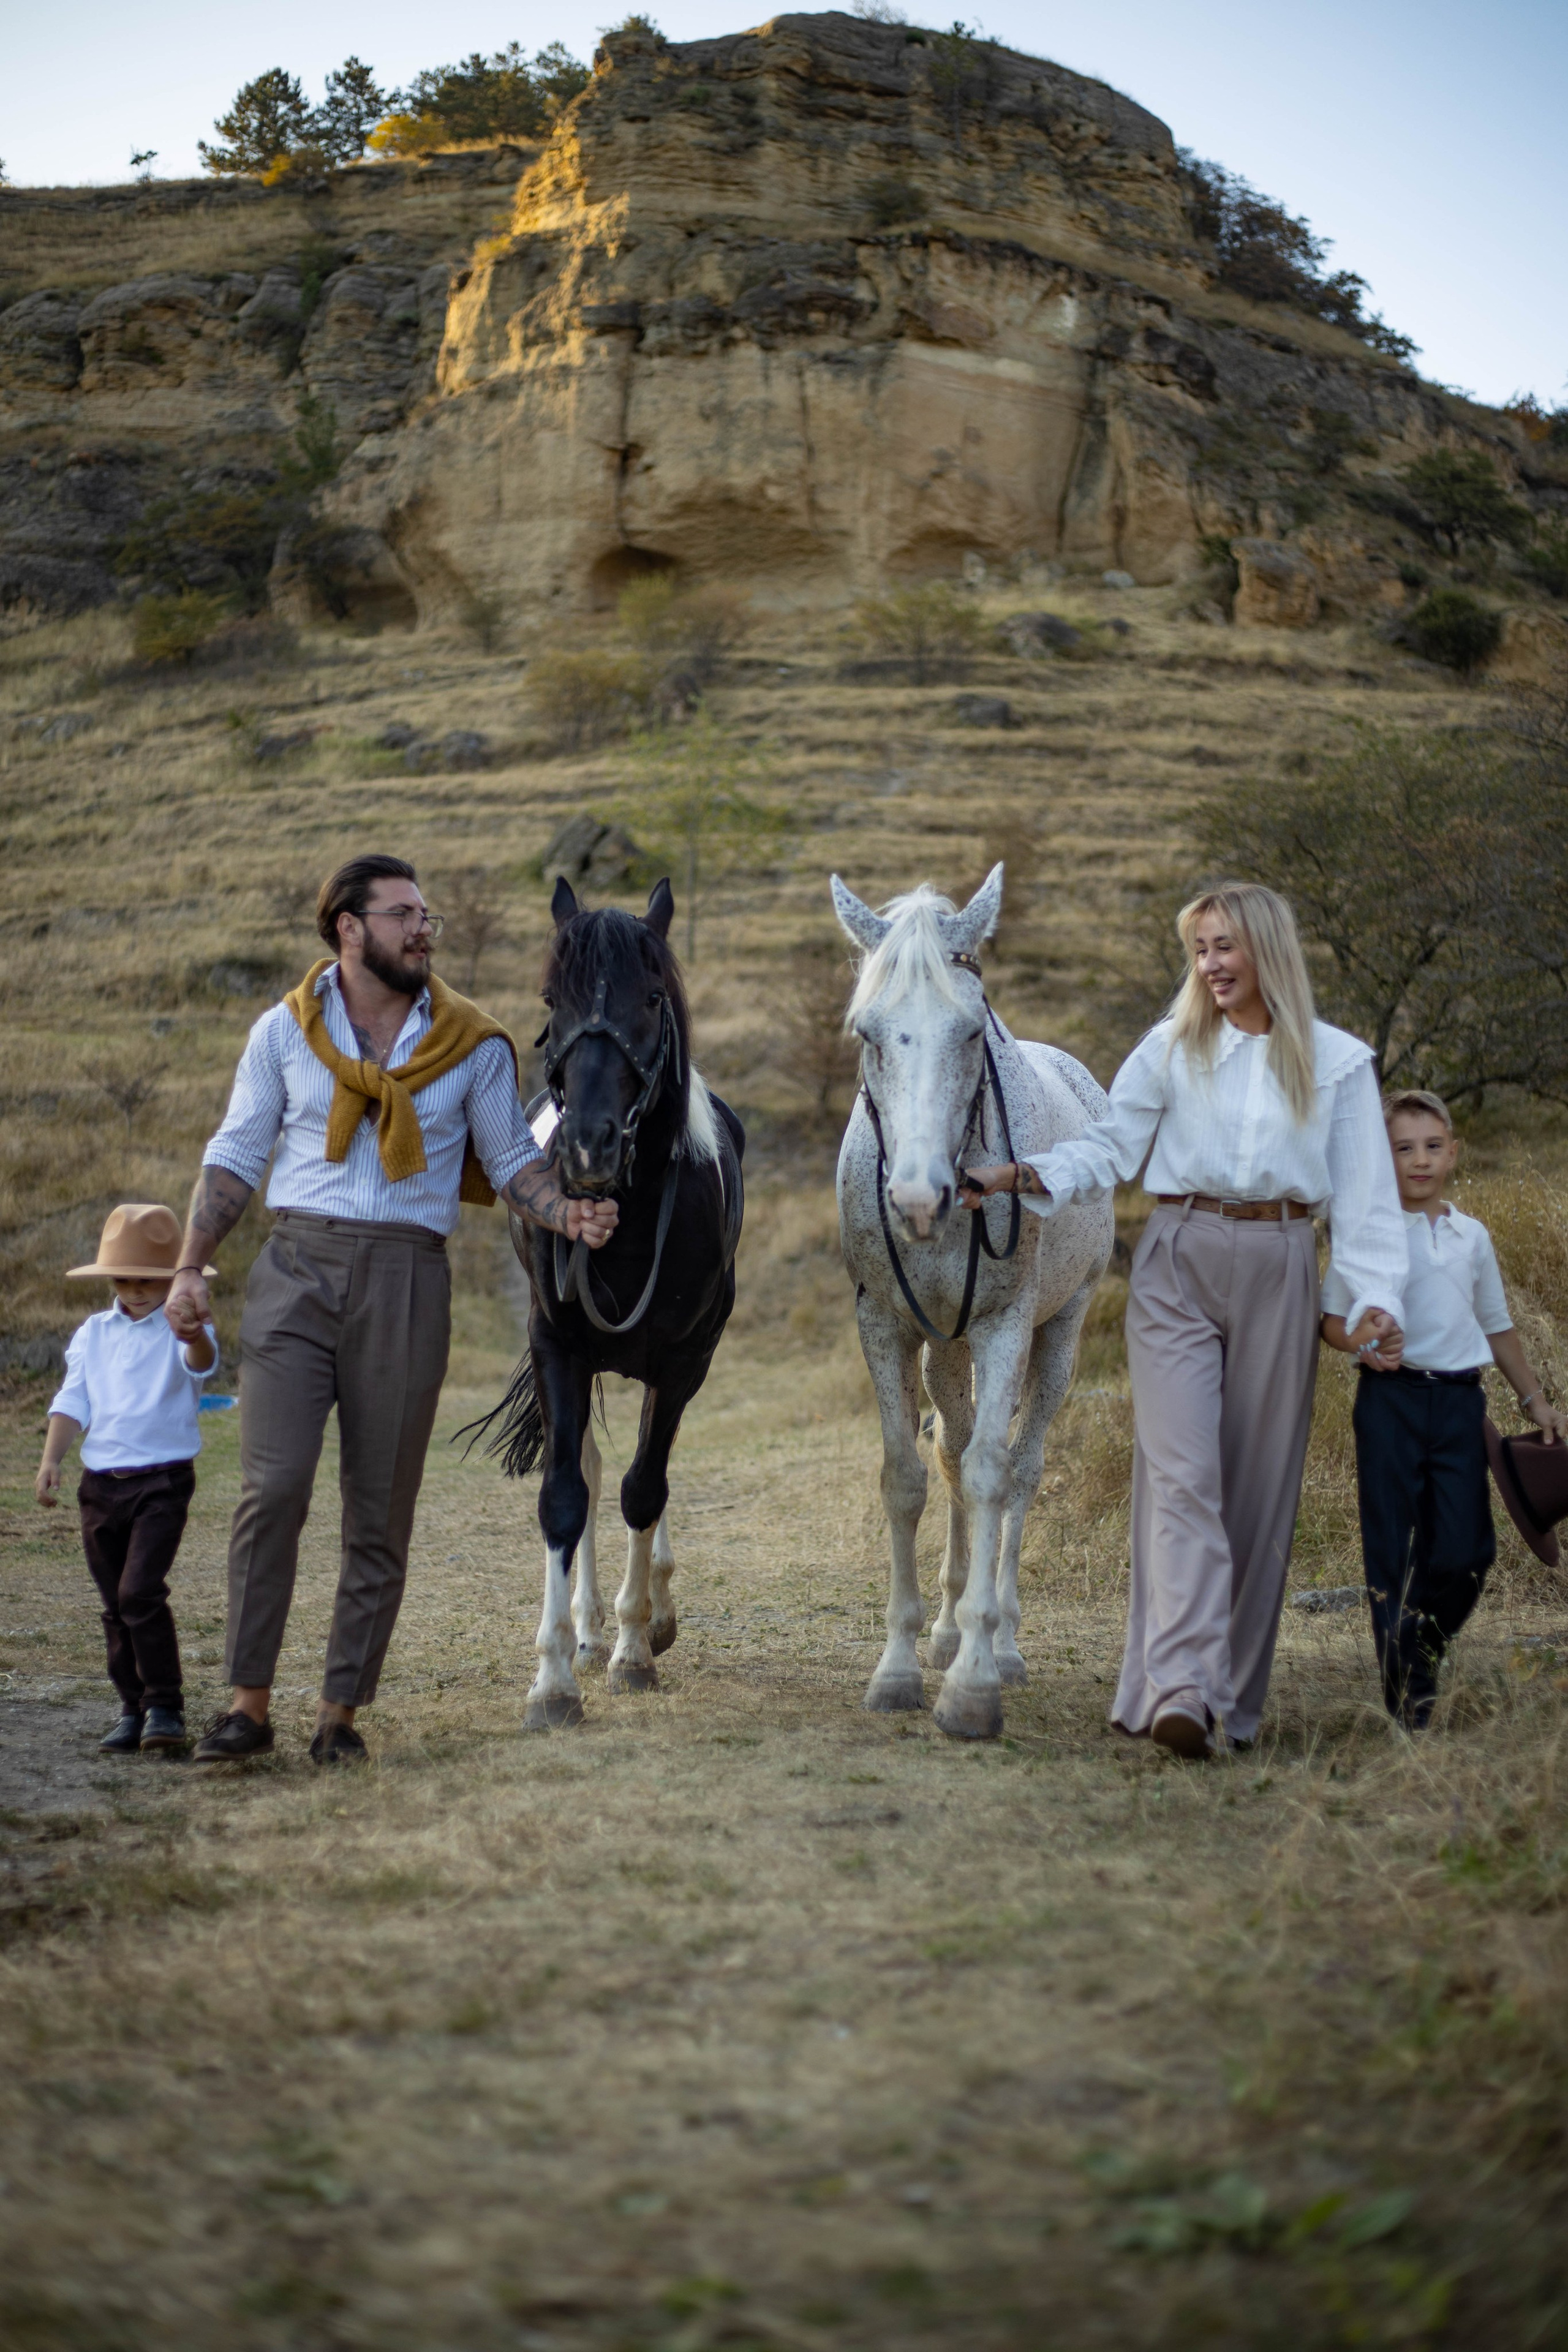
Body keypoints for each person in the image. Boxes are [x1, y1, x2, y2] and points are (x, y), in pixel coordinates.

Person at [163, 853, 617, 1768]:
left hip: (410, 1277)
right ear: (348, 927)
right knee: (273, 1489)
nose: (423, 929)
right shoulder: (284, 1032)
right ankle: (247, 1706)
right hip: (296, 1267)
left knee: (380, 1509)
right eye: (404, 914)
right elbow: (236, 1155)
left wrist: (565, 1210)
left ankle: (340, 1714)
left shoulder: (476, 1044)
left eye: (427, 916)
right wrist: (187, 1267)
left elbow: (509, 1158)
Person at [960, 881, 1408, 1757]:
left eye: (1225, 947)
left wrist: (1369, 1302)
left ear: (1266, 951)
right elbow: (1112, 1148)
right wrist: (1017, 1174)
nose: (1210, 966)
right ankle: (1179, 1687)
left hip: (1283, 1262)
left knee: (1256, 1493)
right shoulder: (1169, 1050)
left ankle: (1227, 1703)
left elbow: (1368, 1203)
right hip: (1177, 1259)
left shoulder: (1341, 1064)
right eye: (1200, 950)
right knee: (1184, 1476)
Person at [1322, 1088, 1567, 1728]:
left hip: (1462, 1405)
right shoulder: (1366, 1235)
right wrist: (1362, 1346)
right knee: (1391, 1549)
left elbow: (1497, 1325)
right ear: (1384, 1157)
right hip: (1389, 1401)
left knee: (1465, 1553)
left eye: (1432, 1146)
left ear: (1453, 1152)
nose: (1420, 1160)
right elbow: (1328, 1321)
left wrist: (1535, 1401)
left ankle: (1419, 1646)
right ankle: (1410, 1697)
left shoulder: (1471, 1238)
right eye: (1403, 1148)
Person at [36, 1204, 219, 1754]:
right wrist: (53, 1459)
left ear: (173, 1279)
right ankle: (131, 1707)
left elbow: (203, 1360)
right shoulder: (93, 1333)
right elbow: (73, 1401)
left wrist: (195, 1332)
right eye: (124, 1280)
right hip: (101, 1487)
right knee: (115, 1602)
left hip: (161, 1483)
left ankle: (165, 1705)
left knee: (140, 1591)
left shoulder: (182, 1328)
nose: (136, 1291)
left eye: (149, 1280)